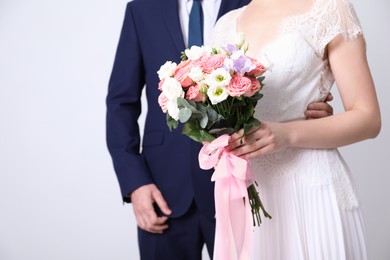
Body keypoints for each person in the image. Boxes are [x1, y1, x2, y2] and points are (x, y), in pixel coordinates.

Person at [106, 0, 334, 259]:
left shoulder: (252, 4)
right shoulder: (142, 9)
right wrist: (135, 182)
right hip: (163, 187)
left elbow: (282, 73)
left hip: (244, 184)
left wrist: (305, 105)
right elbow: (120, 103)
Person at [208, 0, 381, 258]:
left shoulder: (331, 9)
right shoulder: (225, 24)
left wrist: (288, 133)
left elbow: (368, 118)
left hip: (311, 188)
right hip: (249, 189)